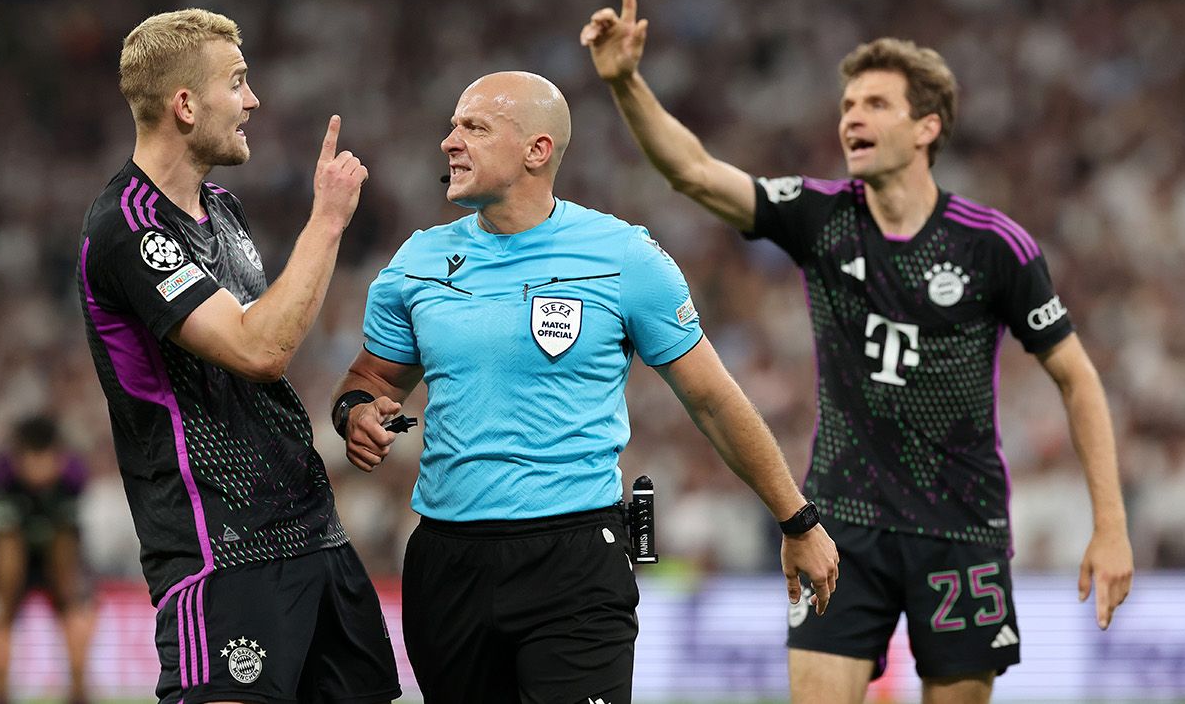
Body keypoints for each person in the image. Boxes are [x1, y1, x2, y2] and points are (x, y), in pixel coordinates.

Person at [581, 0, 1135, 704]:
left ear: (928, 126)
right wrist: (627, 84)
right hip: (841, 526)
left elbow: (1077, 378)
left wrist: (1111, 526)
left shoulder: (995, 246)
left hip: (961, 529)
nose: (851, 118)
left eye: (875, 104)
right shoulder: (821, 216)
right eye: (846, 106)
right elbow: (694, 172)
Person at [331, 70, 839, 704]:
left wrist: (797, 519)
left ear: (536, 150)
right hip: (445, 560)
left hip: (574, 561)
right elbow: (369, 379)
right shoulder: (417, 262)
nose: (449, 142)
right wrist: (355, 412)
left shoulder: (622, 257)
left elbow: (711, 398)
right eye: (453, 125)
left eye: (474, 127)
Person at [77, 9, 398, 704]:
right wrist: (328, 220)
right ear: (185, 104)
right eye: (238, 83)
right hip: (221, 551)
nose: (253, 101)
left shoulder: (222, 208)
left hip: (315, 536)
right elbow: (260, 349)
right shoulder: (129, 227)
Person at [0, 415, 95, 704]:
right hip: (15, 551)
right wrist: (2, 596)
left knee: (76, 612)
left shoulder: (73, 475)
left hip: (60, 552)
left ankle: (79, 691)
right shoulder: (0, 477)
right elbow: (3, 541)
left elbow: (68, 540)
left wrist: (70, 592)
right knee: (0, 617)